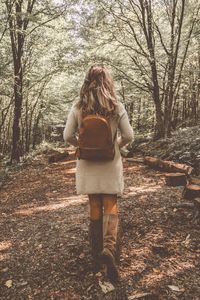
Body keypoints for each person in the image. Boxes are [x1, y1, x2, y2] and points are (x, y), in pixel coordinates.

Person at [63, 65, 134, 282]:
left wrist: (81, 146)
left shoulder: (78, 106)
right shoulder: (115, 106)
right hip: (110, 162)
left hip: (87, 163)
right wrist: (116, 145)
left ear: (86, 81)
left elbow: (67, 136)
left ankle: (96, 256)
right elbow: (129, 135)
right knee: (111, 203)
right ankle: (109, 250)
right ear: (108, 82)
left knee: (94, 204)